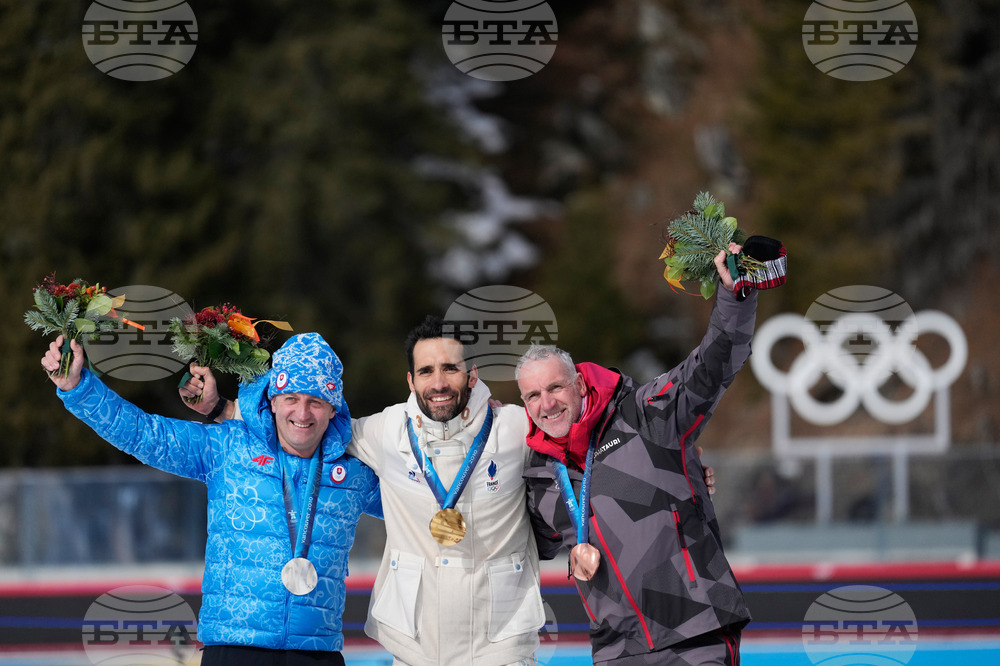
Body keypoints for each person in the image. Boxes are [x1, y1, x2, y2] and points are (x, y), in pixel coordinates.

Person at [184, 321, 719, 665]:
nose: (439, 381)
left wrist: (672, 471)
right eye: (427, 371)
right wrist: (223, 410)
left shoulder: (514, 426)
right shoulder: (381, 431)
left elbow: (580, 443)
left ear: (471, 374)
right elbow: (304, 424)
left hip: (500, 637)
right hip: (415, 640)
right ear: (410, 380)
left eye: (449, 368)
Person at [515, 241, 782, 665]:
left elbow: (710, 367)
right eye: (532, 396)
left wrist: (734, 297)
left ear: (580, 385)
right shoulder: (540, 476)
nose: (546, 404)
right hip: (618, 648)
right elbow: (517, 540)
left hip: (696, 631)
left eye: (555, 388)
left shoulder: (644, 414)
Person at [41, 332, 381, 666]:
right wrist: (79, 389)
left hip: (316, 652)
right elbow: (146, 434)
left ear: (333, 409)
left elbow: (418, 506)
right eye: (291, 398)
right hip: (234, 649)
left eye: (316, 401)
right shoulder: (228, 448)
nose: (303, 413)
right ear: (273, 400)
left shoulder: (355, 474)